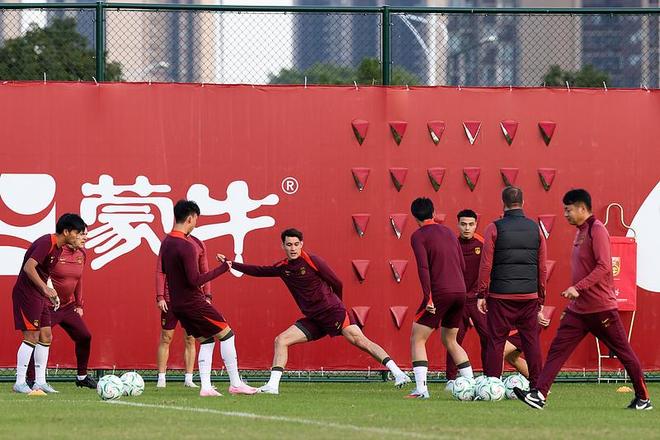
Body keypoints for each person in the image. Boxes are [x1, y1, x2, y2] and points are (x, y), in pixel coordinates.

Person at [226, 228, 411, 395]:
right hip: (314, 319)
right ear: (283, 246)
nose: (293, 248)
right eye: (289, 244)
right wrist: (231, 264)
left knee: (361, 341)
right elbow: (259, 271)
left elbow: (337, 283)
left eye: (296, 244)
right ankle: (272, 386)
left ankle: (398, 373)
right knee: (281, 340)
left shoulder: (312, 260)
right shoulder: (283, 267)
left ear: (301, 244)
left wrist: (337, 306)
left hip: (332, 312)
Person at [515, 189, 653, 410]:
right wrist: (574, 300)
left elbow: (604, 266)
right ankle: (539, 395)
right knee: (557, 350)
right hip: (579, 310)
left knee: (624, 352)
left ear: (582, 208)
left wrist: (577, 288)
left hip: (601, 309)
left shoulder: (597, 230)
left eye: (568, 210)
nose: (565, 214)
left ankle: (643, 398)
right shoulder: (581, 231)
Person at [159, 200, 256, 397]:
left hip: (177, 305)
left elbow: (163, 273)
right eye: (196, 219)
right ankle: (236, 383)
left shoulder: (166, 242)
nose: (196, 223)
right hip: (193, 302)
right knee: (227, 335)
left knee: (207, 340)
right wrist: (224, 268)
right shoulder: (187, 246)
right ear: (190, 218)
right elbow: (195, 280)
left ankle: (206, 387)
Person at [445, 209, 541, 384]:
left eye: (470, 224)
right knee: (453, 340)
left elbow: (490, 267)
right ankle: (451, 380)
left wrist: (484, 294)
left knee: (489, 339)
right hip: (458, 300)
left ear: (476, 225)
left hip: (478, 300)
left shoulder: (483, 244)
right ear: (458, 224)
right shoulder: (452, 244)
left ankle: (490, 379)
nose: (467, 228)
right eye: (463, 224)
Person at [476, 186, 547, 389]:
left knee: (496, 341)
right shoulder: (536, 229)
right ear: (523, 203)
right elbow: (542, 267)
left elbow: (486, 264)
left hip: (500, 295)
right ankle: (537, 386)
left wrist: (482, 293)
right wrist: (541, 298)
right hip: (529, 296)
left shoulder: (494, 228)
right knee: (531, 342)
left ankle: (492, 385)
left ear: (503, 203)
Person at [12, 213, 87, 394]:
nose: (81, 236)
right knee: (31, 337)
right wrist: (45, 289)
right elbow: (29, 267)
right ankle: (20, 382)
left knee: (46, 336)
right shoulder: (47, 242)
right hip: (27, 295)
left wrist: (51, 293)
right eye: (78, 233)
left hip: (40, 297)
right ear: (66, 232)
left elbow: (44, 274)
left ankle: (40, 382)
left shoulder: (58, 249)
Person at [408, 198, 473, 399]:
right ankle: (471, 385)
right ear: (434, 212)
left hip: (439, 293)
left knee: (417, 338)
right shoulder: (448, 232)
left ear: (414, 216)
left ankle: (421, 390)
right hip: (460, 292)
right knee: (450, 339)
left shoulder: (418, 236)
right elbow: (462, 264)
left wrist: (428, 296)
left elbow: (423, 267)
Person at [26, 234, 97, 389]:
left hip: (68, 307)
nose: (85, 238)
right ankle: (31, 379)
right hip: (48, 306)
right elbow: (39, 273)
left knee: (84, 336)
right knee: (37, 339)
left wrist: (79, 304)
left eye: (86, 234)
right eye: (81, 234)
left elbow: (78, 279)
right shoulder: (55, 251)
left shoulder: (82, 254)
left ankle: (82, 377)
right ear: (70, 233)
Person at [155, 233, 213, 388]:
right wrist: (160, 296)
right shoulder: (169, 243)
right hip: (170, 298)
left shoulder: (198, 243)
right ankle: (161, 378)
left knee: (190, 338)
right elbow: (160, 271)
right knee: (166, 337)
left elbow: (205, 271)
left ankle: (188, 378)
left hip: (191, 300)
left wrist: (207, 295)